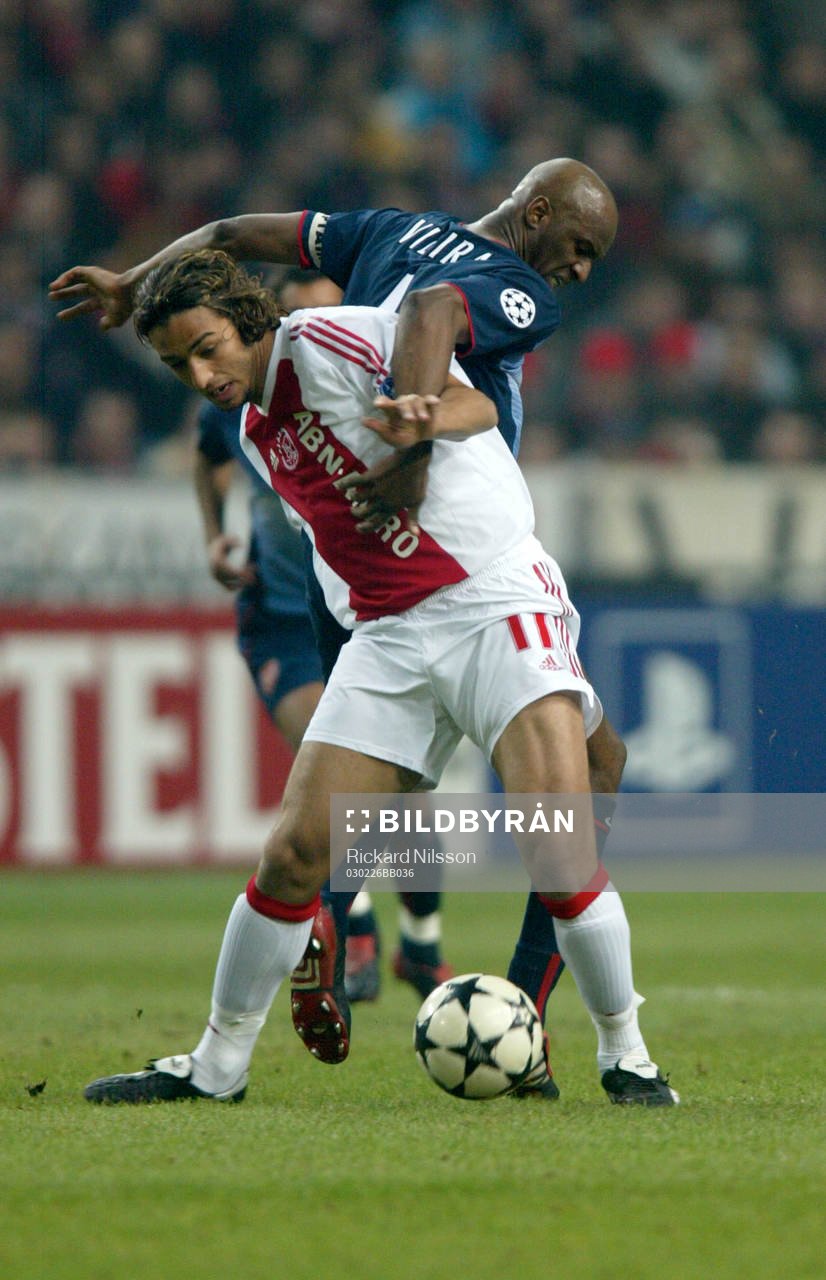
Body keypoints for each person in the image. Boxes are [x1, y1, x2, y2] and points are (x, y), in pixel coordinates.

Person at [50, 158, 630, 1095]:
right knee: (323, 839)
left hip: (456, 575)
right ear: (535, 216)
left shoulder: (363, 275)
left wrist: (414, 446)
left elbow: (247, 236)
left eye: (206, 351)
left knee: (557, 813)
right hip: (401, 594)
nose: (579, 271)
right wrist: (407, 440)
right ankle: (255, 1026)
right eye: (578, 248)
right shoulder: (268, 418)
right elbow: (415, 316)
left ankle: (591, 1038)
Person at [197, 264, 454, 1003]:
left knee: (406, 799)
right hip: (283, 618)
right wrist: (214, 534)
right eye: (301, 314)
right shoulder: (236, 397)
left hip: (365, 612)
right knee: (341, 784)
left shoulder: (361, 376)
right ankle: (356, 925)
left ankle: (421, 942)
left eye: (329, 311)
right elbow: (208, 458)